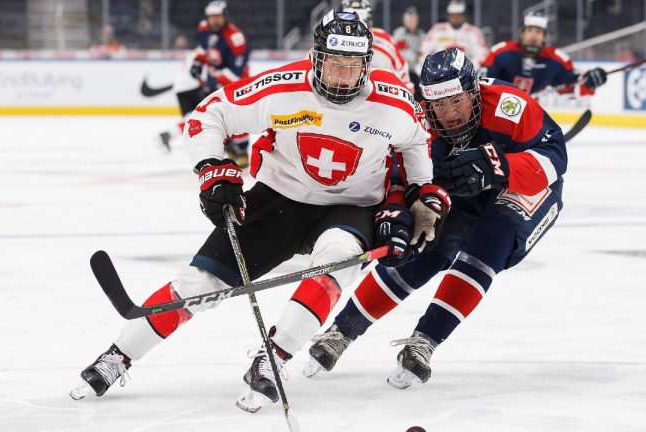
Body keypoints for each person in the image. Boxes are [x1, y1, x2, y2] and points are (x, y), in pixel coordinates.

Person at [70, 10, 450, 412]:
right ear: (315, 58)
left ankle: (274, 358)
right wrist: (211, 170)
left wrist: (418, 194)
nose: (342, 75)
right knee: (201, 283)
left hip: (351, 206)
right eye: (334, 63)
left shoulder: (394, 101)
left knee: (337, 261)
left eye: (353, 66)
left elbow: (416, 144)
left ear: (367, 64)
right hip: (280, 198)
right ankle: (117, 356)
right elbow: (206, 115)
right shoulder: (282, 87)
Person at [304, 48, 567, 389]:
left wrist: (498, 165)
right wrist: (403, 209)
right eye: (439, 105)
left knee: (491, 240)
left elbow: (555, 157)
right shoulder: (417, 122)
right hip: (462, 190)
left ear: (474, 91)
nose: (450, 113)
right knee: (425, 244)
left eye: (457, 101)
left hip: (525, 187)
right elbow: (398, 174)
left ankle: (424, 341)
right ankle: (343, 330)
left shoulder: (508, 106)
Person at [160, 1, 252, 166]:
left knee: (236, 115)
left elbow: (236, 71)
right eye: (211, 17)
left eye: (217, 17)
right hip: (214, 81)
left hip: (237, 84)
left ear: (225, 17)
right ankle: (230, 148)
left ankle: (242, 150)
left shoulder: (235, 38)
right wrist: (198, 63)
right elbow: (203, 50)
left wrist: (217, 84)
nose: (214, 21)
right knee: (216, 116)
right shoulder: (204, 29)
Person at [483, 12, 607, 95]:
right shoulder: (501, 52)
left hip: (529, 113)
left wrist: (589, 83)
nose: (533, 35)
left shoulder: (557, 60)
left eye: (538, 31)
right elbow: (481, 82)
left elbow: (573, 85)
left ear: (545, 36)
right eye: (530, 30)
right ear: (522, 33)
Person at [341, 0, 413, 92]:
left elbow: (405, 84)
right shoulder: (331, 41)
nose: (356, 31)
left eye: (361, 25)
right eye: (350, 25)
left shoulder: (385, 43)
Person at [420, 1, 489, 75]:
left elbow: (482, 55)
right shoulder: (437, 30)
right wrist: (434, 70)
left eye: (459, 15)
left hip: (466, 75)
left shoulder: (473, 32)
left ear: (464, 16)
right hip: (439, 75)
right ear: (448, 16)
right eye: (453, 15)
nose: (456, 18)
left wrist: (467, 69)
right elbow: (424, 52)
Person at [392, 7, 426, 98]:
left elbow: (424, 53)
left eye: (413, 20)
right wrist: (415, 56)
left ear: (417, 20)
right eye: (408, 19)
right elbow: (398, 52)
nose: (411, 22)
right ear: (403, 20)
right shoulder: (398, 33)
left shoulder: (422, 35)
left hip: (416, 72)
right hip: (401, 71)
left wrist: (415, 56)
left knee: (419, 93)